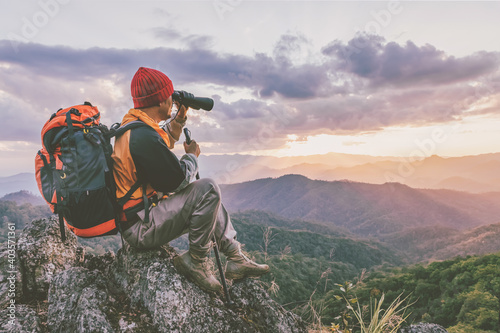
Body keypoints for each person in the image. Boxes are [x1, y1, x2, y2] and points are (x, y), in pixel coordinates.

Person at [112, 66, 269, 293]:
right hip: (140, 228)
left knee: (209, 198)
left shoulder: (136, 128)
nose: (171, 101)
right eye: (169, 97)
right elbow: (178, 181)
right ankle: (196, 261)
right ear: (159, 100)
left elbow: (164, 138)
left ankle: (235, 258)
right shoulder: (142, 137)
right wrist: (191, 156)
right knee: (207, 189)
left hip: (141, 216)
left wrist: (181, 115)